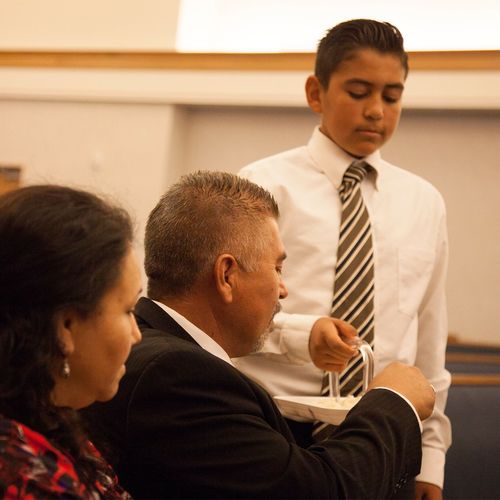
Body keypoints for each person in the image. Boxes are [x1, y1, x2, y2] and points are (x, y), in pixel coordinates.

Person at [83, 170, 435, 499]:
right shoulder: (179, 375)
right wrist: (393, 400)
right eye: (278, 268)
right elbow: (319, 491)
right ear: (227, 275)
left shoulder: (156, 348)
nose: (283, 290)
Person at [235, 18, 451, 499]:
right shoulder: (263, 186)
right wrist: (298, 335)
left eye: (392, 97)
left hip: (387, 432)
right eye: (358, 92)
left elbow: (430, 343)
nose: (376, 111)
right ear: (317, 93)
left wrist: (431, 458)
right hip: (275, 425)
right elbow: (223, 312)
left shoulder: (424, 202)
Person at [0, 185, 142, 498]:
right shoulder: (22, 474)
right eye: (128, 310)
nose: (137, 334)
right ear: (65, 326)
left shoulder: (51, 419)